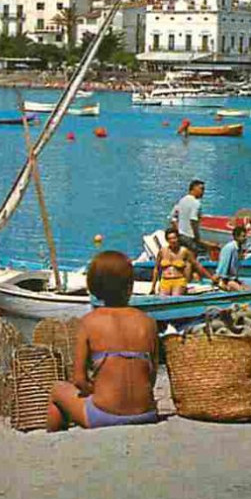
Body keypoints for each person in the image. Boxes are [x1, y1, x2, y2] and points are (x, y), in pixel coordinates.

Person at [47, 251, 159, 431]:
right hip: (146, 412)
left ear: (95, 285)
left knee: (57, 389)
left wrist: (94, 390)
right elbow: (151, 377)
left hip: (104, 414)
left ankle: (54, 442)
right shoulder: (148, 322)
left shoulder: (89, 322)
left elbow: (79, 380)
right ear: (129, 284)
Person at [151, 226, 214, 296]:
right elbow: (156, 269)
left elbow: (197, 265)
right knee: (162, 298)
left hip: (179, 280)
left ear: (178, 238)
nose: (172, 241)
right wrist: (153, 287)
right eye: (170, 239)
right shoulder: (162, 251)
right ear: (167, 240)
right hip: (165, 280)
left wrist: (211, 278)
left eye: (174, 238)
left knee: (175, 297)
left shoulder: (184, 251)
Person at [214, 221, 251, 289]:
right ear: (237, 237)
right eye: (243, 236)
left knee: (248, 288)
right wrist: (223, 281)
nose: (246, 238)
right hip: (225, 279)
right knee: (240, 289)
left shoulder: (239, 248)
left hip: (232, 278)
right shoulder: (229, 248)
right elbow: (224, 264)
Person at [169, 179, 205, 248]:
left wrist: (178, 230)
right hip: (190, 237)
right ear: (193, 188)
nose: (203, 192)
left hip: (180, 236)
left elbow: (172, 218)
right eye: (201, 189)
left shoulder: (182, 200)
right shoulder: (196, 203)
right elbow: (193, 220)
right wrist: (197, 238)